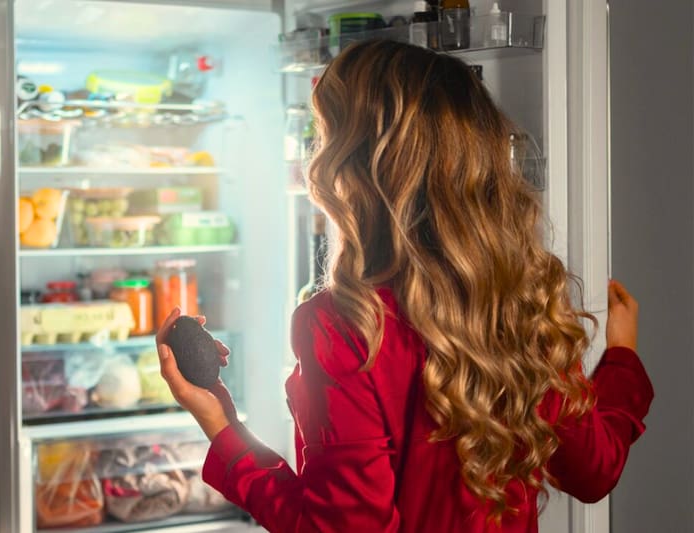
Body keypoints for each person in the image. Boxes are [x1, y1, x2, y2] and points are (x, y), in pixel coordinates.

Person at [155, 40, 653, 533]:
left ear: (351, 168)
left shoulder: (344, 325)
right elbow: (594, 470)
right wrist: (623, 357)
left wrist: (223, 427)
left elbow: (346, 528)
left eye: (324, 137)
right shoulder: (518, 300)